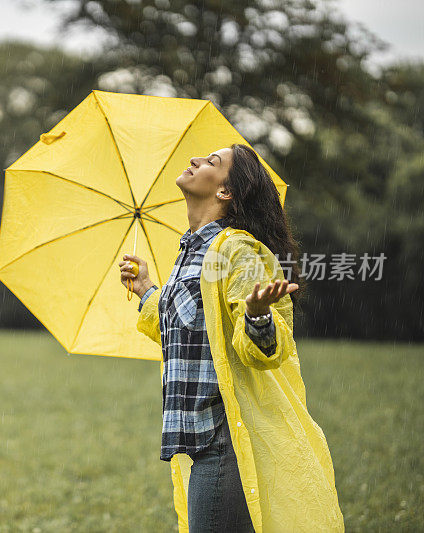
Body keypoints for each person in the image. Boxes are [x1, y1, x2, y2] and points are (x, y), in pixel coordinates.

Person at [118, 144, 344, 532]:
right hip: (199, 438)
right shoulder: (190, 252)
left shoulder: (236, 251)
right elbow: (188, 331)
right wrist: (147, 290)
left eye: (211, 163)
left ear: (225, 192)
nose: (195, 161)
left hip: (222, 435)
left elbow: (263, 354)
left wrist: (257, 315)